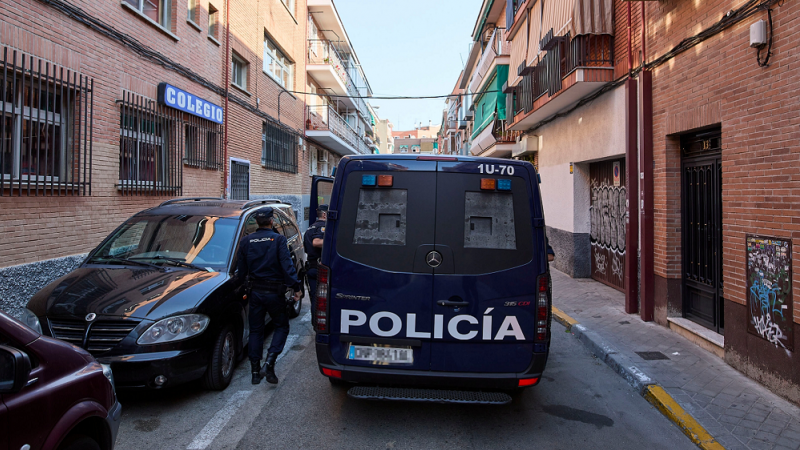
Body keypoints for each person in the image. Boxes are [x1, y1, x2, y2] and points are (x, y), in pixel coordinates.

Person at [236, 207, 302, 385]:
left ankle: (255, 373)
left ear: (256, 222)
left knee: (256, 331)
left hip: (255, 293)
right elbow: (287, 267)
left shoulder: (246, 241)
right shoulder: (278, 239)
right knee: (281, 326)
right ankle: (270, 362)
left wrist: (241, 289)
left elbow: (241, 271)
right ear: (272, 221)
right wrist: (296, 288)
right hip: (274, 293)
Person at [303, 204, 327, 316]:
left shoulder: (310, 228)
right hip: (320, 267)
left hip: (311, 267)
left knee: (315, 299)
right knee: (323, 300)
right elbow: (316, 242)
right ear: (324, 214)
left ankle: (315, 324)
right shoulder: (323, 226)